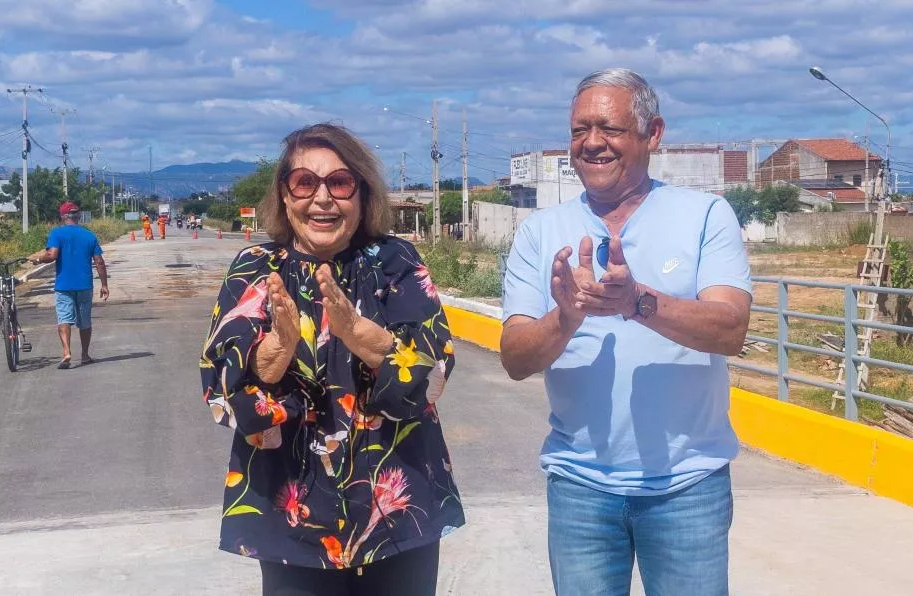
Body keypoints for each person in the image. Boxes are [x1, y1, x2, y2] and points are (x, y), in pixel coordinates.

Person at [500, 68, 752, 596]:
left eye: (609, 128)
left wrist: (636, 302)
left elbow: (730, 329)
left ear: (652, 133)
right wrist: (567, 316)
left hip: (688, 487)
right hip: (579, 488)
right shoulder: (539, 232)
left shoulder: (705, 215)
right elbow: (516, 359)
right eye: (579, 130)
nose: (591, 143)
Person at [200, 123, 463, 596]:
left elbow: (434, 372)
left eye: (339, 183)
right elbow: (223, 390)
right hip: (290, 514)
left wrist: (359, 333)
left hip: (398, 509)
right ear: (285, 195)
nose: (322, 198)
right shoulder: (254, 268)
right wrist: (277, 349)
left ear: (361, 194)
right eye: (305, 182)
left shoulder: (395, 262)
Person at [30, 201, 110, 369]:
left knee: (64, 319)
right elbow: (99, 262)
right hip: (84, 285)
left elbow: (52, 255)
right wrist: (104, 285)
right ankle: (85, 355)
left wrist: (38, 259)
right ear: (78, 216)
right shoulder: (89, 235)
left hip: (64, 286)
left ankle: (66, 352)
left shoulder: (57, 233)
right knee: (85, 321)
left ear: (62, 216)